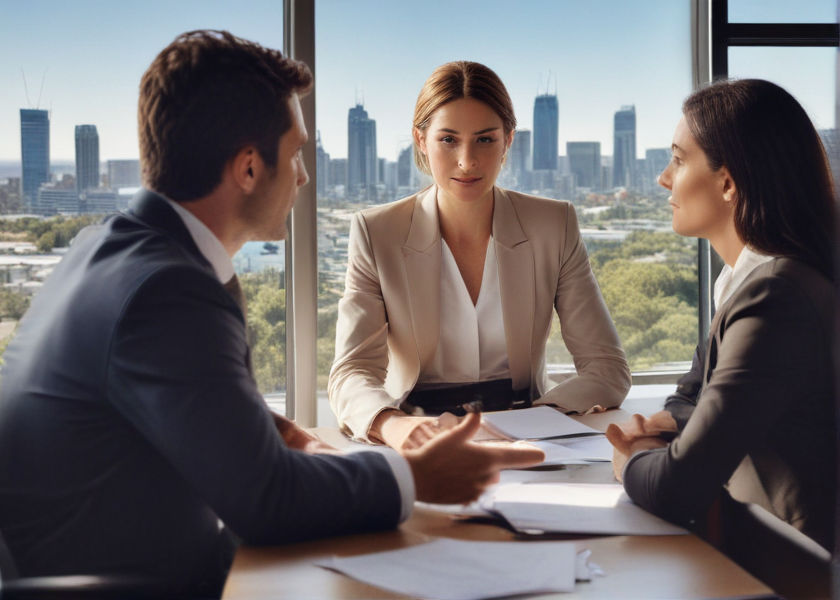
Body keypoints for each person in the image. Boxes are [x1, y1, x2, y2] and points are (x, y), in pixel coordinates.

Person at [0, 32, 543, 598]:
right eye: (295, 153)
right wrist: (416, 476)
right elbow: (267, 501)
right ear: (250, 169)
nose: (304, 176)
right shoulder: (169, 290)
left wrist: (287, 439)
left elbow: (204, 424)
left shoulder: (113, 248)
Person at [329, 61, 631, 450]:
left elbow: (607, 367)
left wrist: (537, 418)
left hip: (531, 429)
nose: (467, 161)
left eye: (485, 140)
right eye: (448, 140)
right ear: (421, 141)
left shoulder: (554, 224)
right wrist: (392, 425)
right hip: (418, 437)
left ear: (508, 140)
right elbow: (351, 372)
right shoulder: (377, 232)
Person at [608, 79, 835, 552]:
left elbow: (678, 486)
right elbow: (689, 398)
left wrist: (631, 459)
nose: (663, 179)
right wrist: (671, 431)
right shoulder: (745, 280)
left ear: (727, 182)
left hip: (798, 569)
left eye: (678, 159)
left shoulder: (775, 297)